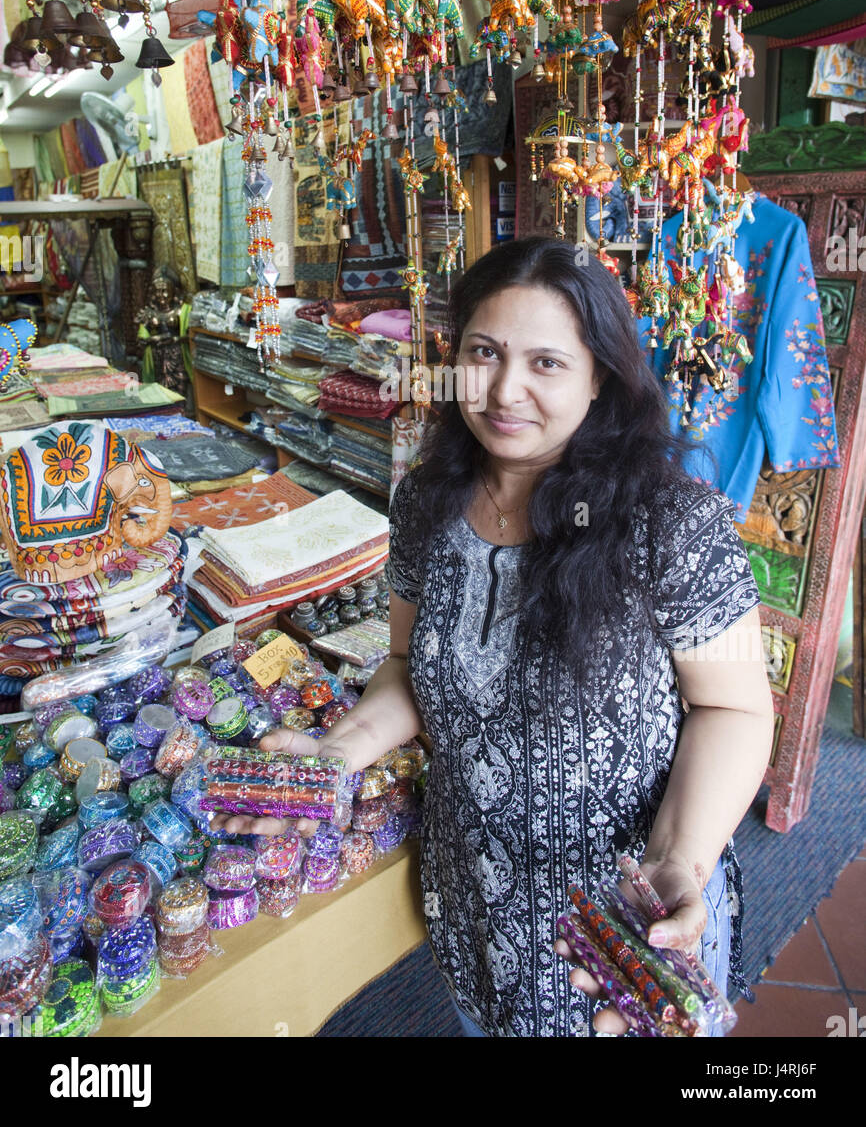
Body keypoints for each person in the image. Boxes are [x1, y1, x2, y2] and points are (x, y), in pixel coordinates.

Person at [213, 237, 774, 1037]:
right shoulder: (424, 504)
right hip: (477, 904)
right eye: (484, 353)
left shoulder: (675, 524)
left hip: (625, 930)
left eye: (547, 363)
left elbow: (738, 709)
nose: (506, 390)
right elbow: (407, 666)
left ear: (600, 377)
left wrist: (679, 859)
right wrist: (342, 751)